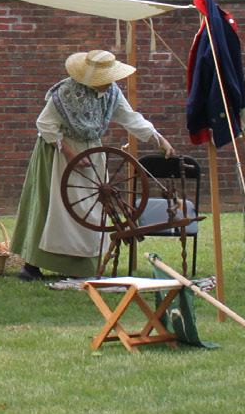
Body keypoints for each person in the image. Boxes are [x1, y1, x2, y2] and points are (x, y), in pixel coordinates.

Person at [10, 49, 174, 281]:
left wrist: (158, 139)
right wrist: (70, 154)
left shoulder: (112, 92)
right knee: (54, 206)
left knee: (90, 209)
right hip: (58, 150)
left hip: (92, 152)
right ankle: (32, 266)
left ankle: (82, 266)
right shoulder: (66, 92)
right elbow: (45, 124)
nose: (108, 82)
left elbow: (130, 117)